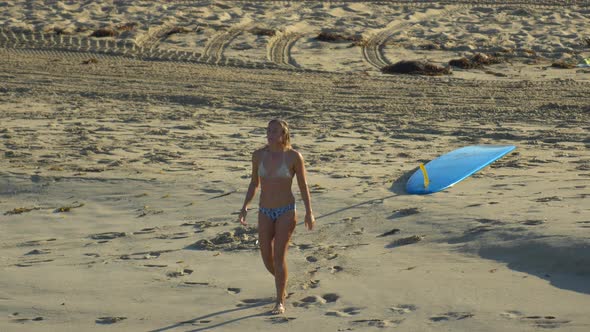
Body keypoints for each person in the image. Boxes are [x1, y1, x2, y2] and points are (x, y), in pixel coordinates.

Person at [238, 119, 315, 315]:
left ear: (284, 135)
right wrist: (245, 206)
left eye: (275, 131)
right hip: (265, 211)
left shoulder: (293, 157)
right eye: (269, 130)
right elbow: (254, 183)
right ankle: (282, 281)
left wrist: (309, 212)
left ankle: (279, 301)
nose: (271, 134)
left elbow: (303, 186)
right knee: (266, 256)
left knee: (279, 256)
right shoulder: (258, 155)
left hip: (286, 211)